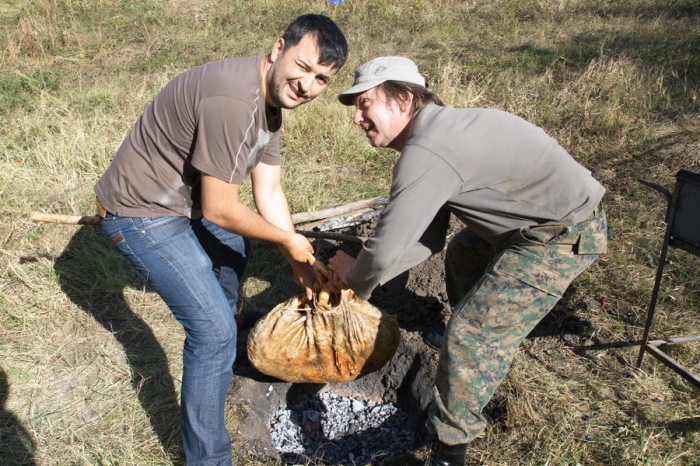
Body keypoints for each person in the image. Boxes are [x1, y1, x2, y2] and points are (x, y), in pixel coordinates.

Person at [327, 56, 607, 466]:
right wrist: (369, 271)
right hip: (535, 221)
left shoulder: (428, 150)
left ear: (402, 99)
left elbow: (385, 251)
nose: (356, 118)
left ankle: (447, 452)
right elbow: (427, 238)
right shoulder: (441, 131)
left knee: (471, 335)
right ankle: (471, 366)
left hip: (562, 235)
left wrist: (354, 280)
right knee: (463, 252)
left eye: (364, 103)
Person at [94, 15, 347, 465]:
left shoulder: (270, 105)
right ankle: (208, 458)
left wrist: (299, 266)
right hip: (140, 214)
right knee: (210, 334)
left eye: (321, 79)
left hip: (182, 205)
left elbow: (268, 191)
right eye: (303, 67)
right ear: (277, 48)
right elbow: (219, 209)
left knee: (233, 247)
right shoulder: (235, 100)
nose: (307, 84)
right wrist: (289, 244)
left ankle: (226, 332)